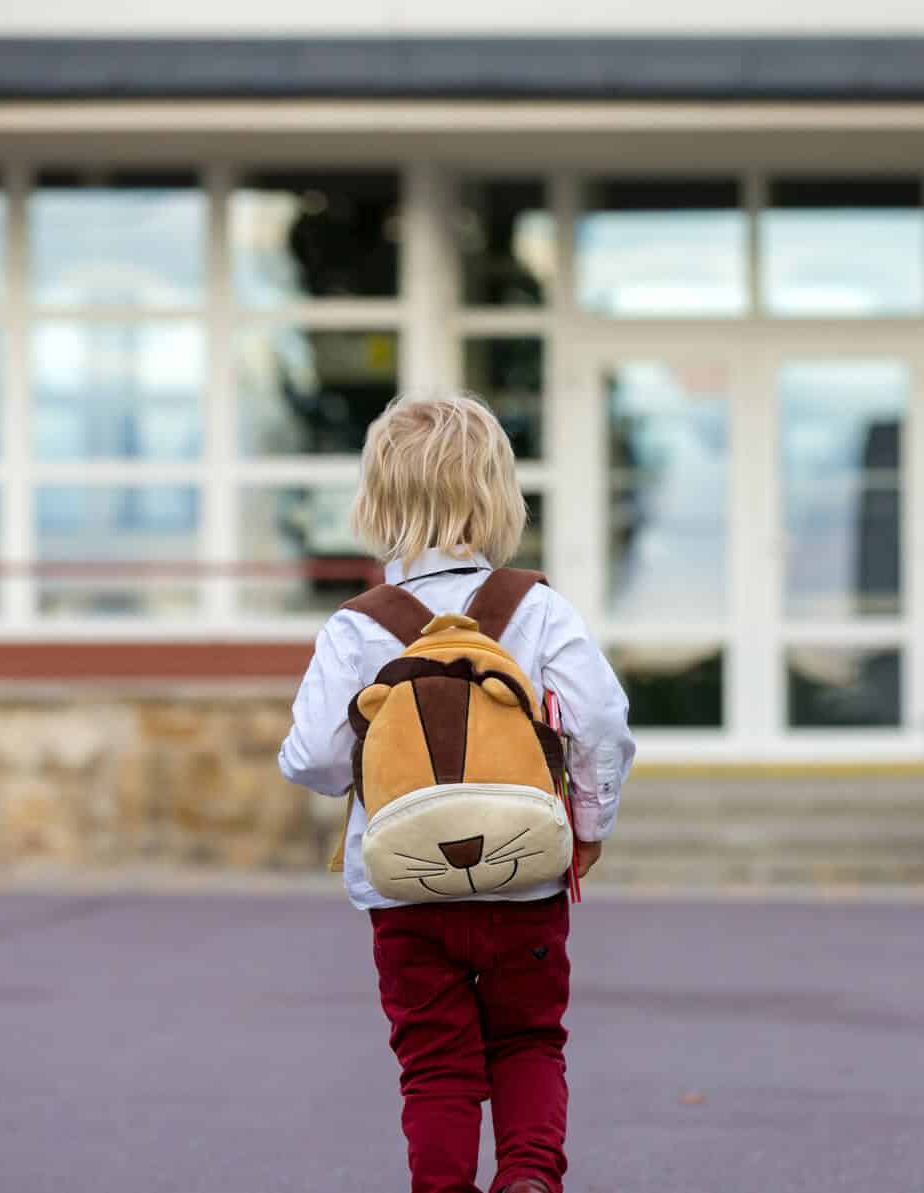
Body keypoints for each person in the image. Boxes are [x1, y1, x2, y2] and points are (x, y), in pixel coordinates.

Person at [279, 391, 635, 1193]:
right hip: (525, 875)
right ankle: (530, 1179)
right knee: (529, 1040)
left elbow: (312, 758)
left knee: (435, 1065)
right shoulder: (537, 610)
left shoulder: (357, 627)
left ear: (376, 505)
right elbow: (602, 722)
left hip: (407, 889)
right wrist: (588, 822)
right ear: (500, 498)